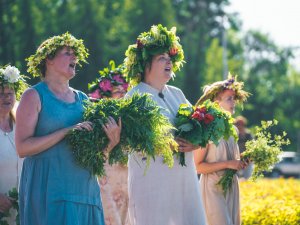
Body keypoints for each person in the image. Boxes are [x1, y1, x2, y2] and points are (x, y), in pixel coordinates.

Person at [15, 33, 121, 225]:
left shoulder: (84, 100)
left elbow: (93, 154)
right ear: (49, 59)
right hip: (50, 192)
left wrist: (110, 143)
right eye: (67, 53)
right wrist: (65, 132)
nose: (75, 57)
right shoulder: (33, 96)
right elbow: (22, 148)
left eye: (75, 53)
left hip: (85, 192)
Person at [124, 24, 206, 225]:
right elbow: (130, 142)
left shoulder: (177, 93)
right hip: (153, 184)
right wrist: (166, 143)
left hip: (184, 183)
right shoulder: (134, 97)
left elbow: (198, 128)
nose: (169, 61)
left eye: (170, 58)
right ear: (145, 65)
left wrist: (196, 143)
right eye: (162, 58)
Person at [194, 75, 250, 225]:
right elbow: (197, 166)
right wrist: (228, 164)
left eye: (234, 98)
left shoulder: (234, 130)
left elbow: (233, 162)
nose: (234, 103)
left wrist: (242, 161)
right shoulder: (206, 128)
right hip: (212, 188)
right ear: (217, 104)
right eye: (229, 99)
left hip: (231, 186)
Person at [89, 61, 130, 225]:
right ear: (105, 95)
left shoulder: (130, 119)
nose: (122, 94)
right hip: (107, 175)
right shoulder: (97, 119)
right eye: (117, 91)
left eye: (124, 90)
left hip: (126, 176)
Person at [0, 65, 27, 225]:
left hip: (22, 208)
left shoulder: (23, 126)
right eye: (1, 94)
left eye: (10, 93)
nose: (6, 98)